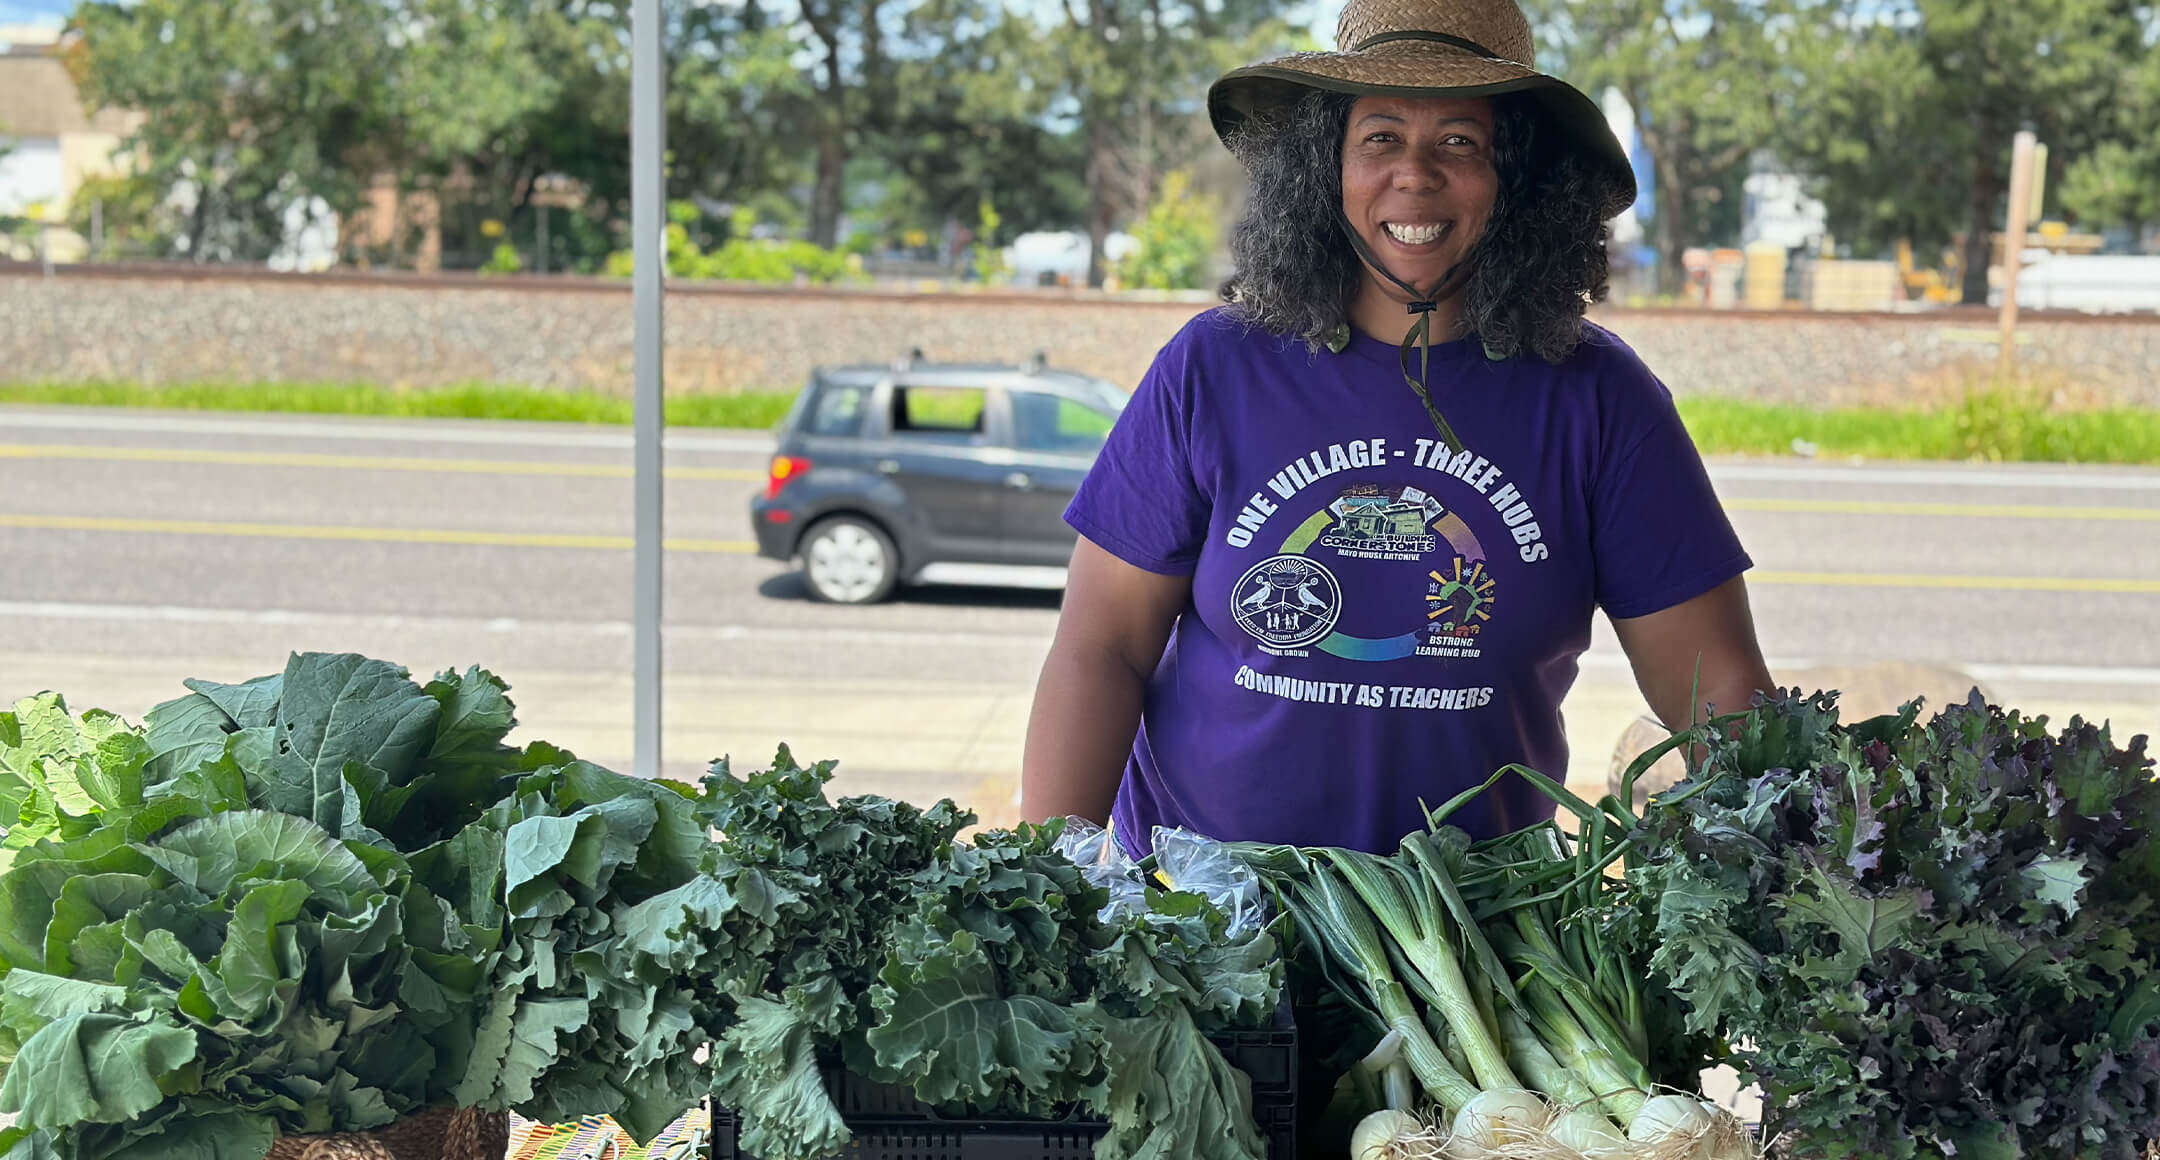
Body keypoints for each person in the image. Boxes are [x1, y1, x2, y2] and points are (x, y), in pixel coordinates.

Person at [1018, 0, 1776, 855]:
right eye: (1379, 137)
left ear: (1519, 178)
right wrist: (1056, 884)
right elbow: (1101, 648)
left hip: (1471, 949)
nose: (1414, 174)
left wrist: (1800, 862)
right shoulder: (1214, 368)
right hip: (1201, 931)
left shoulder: (1600, 400)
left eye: (1460, 141)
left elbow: (1717, 699)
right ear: (1324, 169)